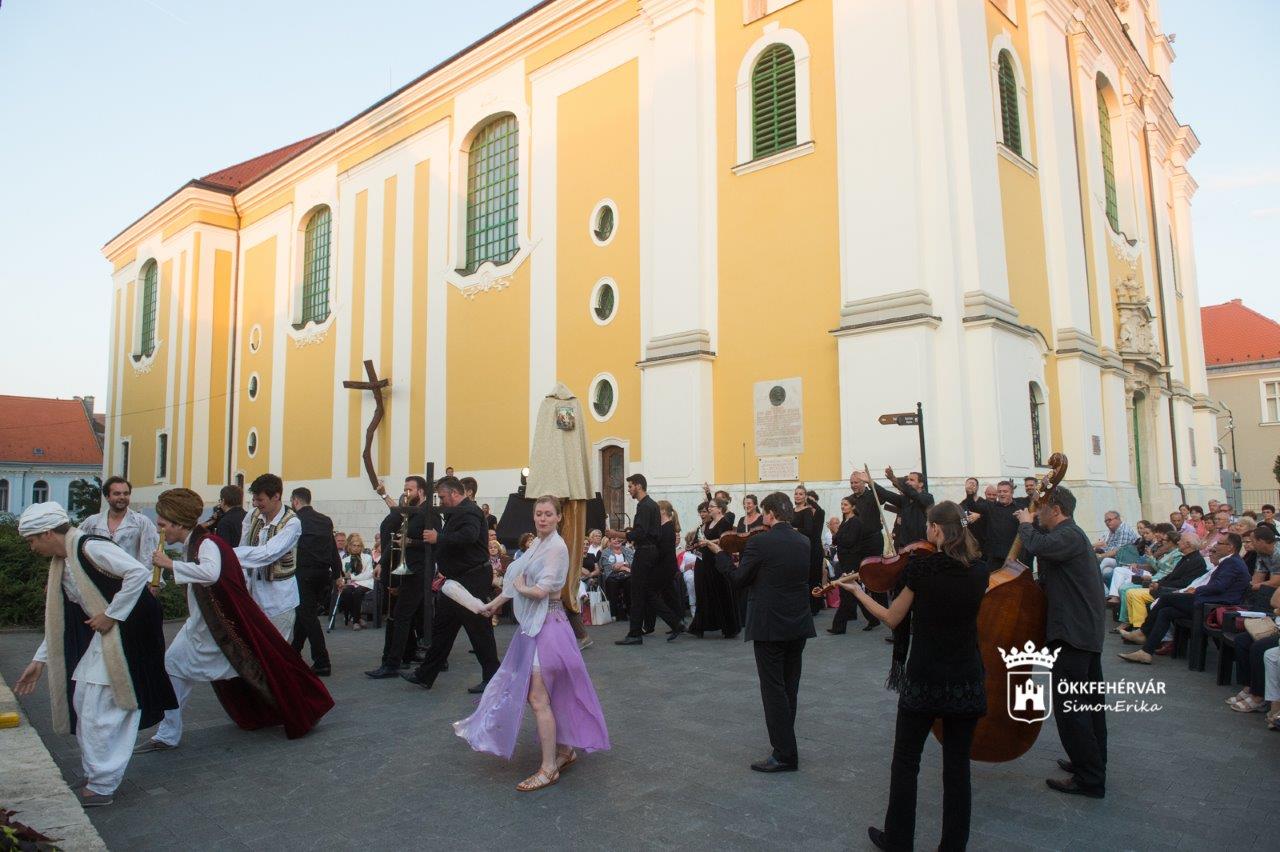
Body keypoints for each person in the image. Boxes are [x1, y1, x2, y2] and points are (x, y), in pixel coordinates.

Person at [837, 501, 988, 852]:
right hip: (965, 676)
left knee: (906, 762)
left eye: (927, 527)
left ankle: (899, 840)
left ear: (936, 529)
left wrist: (859, 592)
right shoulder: (980, 571)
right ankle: (953, 846)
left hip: (926, 675)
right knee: (957, 769)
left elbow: (892, 618)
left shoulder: (923, 571)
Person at [134, 489, 333, 754]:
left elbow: (210, 572)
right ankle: (168, 733)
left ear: (178, 523)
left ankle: (304, 704)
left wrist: (170, 565)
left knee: (258, 667)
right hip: (205, 623)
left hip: (216, 628)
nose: (160, 530)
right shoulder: (195, 542)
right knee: (181, 666)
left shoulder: (206, 543)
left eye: (162, 525)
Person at [13, 502, 176, 807]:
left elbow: (137, 572)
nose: (32, 547)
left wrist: (111, 615)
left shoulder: (89, 547)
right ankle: (95, 774)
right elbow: (62, 617)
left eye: (32, 540)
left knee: (105, 707)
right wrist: (40, 659)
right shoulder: (65, 559)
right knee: (84, 699)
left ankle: (103, 783)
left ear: (48, 533)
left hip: (128, 631)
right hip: (108, 633)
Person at [454, 496, 610, 791]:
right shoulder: (538, 544)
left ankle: (549, 767)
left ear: (558, 517)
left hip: (548, 628)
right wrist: (494, 604)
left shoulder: (556, 547)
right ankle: (564, 751)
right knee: (551, 693)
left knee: (538, 697)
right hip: (537, 628)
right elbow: (517, 584)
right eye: (538, 514)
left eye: (548, 514)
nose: (542, 519)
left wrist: (519, 589)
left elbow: (538, 590)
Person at [706, 492, 815, 772]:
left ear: (769, 514)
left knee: (773, 689)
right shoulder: (804, 541)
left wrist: (721, 556)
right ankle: (785, 744)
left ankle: (784, 753)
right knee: (790, 686)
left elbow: (738, 579)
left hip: (769, 624)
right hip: (798, 623)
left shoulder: (761, 542)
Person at [1013, 486, 1107, 798]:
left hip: (1073, 634)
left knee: (1072, 709)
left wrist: (1025, 523)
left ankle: (1089, 778)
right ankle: (1092, 762)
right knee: (1089, 705)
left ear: (1056, 509)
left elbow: (1038, 544)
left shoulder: (1068, 534)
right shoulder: (1071, 536)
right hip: (1081, 632)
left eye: (1041, 509)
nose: (1037, 513)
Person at [403, 476, 500, 693]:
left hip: (471, 578)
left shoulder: (470, 511)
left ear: (455, 493)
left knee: (478, 629)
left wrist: (440, 538)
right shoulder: (459, 511)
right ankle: (425, 675)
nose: (442, 501)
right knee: (443, 628)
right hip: (457, 579)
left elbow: (469, 535)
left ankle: (493, 678)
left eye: (444, 497)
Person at [1118, 532, 1251, 665]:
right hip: (1207, 602)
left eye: (1219, 543)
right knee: (1166, 612)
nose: (1215, 546)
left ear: (1231, 547)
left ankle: (1143, 632)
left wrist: (1196, 590)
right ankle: (1146, 652)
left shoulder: (1233, 563)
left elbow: (1219, 586)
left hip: (1214, 606)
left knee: (1166, 598)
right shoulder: (1229, 562)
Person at [368, 476, 439, 678]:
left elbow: (435, 544)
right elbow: (395, 539)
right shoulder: (410, 513)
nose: (406, 493)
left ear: (422, 492)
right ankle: (404, 657)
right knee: (403, 616)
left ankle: (392, 663)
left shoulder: (429, 514)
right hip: (407, 571)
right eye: (405, 489)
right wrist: (382, 562)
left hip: (419, 572)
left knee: (401, 616)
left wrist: (411, 542)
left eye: (410, 490)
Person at [617, 474, 685, 645]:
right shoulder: (653, 505)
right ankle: (674, 622)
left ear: (639, 486)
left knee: (638, 593)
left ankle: (635, 633)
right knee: (645, 592)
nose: (629, 489)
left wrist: (618, 534)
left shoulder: (645, 506)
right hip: (650, 552)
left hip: (645, 552)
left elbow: (640, 533)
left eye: (631, 486)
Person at [235, 474, 302, 640]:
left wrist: (227, 553)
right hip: (253, 594)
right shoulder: (252, 516)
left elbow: (268, 553)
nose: (256, 503)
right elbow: (244, 546)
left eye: (260, 500)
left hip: (280, 598)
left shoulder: (292, 522)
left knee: (278, 647)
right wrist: (243, 582)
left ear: (276, 496)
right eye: (254, 499)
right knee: (254, 645)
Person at [288, 487, 343, 676]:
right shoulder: (325, 520)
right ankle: (293, 654)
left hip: (303, 573)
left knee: (308, 616)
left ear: (295, 501)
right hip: (323, 575)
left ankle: (322, 661)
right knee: (306, 614)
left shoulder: (295, 520)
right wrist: (337, 574)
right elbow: (332, 548)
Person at [689, 497, 740, 638]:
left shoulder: (725, 522)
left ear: (720, 508)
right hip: (703, 562)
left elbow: (724, 539)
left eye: (712, 506)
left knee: (721, 593)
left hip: (718, 561)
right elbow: (698, 541)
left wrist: (707, 542)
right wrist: (696, 545)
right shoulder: (707, 523)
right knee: (703, 592)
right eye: (709, 506)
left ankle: (729, 628)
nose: (709, 508)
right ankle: (699, 626)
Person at [80, 476, 160, 565]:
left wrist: (146, 578)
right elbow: (77, 547)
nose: (122, 497)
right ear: (107, 497)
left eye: (126, 493)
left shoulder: (141, 522)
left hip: (130, 577)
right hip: (97, 577)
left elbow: (150, 556)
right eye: (117, 494)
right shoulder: (92, 523)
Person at [961, 479, 1020, 567]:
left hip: (1012, 555)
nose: (1002, 494)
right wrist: (970, 494)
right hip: (989, 554)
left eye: (1005, 491)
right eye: (999, 491)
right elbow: (971, 509)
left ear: (1011, 493)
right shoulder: (988, 506)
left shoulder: (1019, 508)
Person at [827, 497, 864, 635]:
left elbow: (849, 541)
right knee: (851, 591)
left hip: (851, 560)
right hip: (844, 559)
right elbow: (835, 539)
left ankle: (839, 625)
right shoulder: (845, 521)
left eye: (846, 504)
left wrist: (838, 535)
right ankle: (871, 618)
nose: (843, 506)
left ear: (853, 507)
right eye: (842, 504)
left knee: (847, 592)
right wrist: (839, 536)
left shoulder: (855, 522)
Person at [872, 467, 934, 548]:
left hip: (921, 546)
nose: (908, 482)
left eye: (911, 480)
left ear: (921, 484)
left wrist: (894, 479)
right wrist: (870, 482)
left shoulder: (928, 498)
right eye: (907, 479)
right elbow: (886, 494)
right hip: (904, 546)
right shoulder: (904, 499)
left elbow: (913, 494)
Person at [337, 533, 375, 628]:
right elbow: (345, 575)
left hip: (365, 583)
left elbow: (368, 574)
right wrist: (348, 578)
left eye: (358, 546)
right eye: (354, 545)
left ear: (361, 547)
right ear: (350, 546)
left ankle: (355, 622)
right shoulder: (345, 560)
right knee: (347, 591)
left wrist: (352, 577)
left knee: (358, 592)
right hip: (350, 583)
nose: (356, 548)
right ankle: (357, 618)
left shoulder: (367, 557)